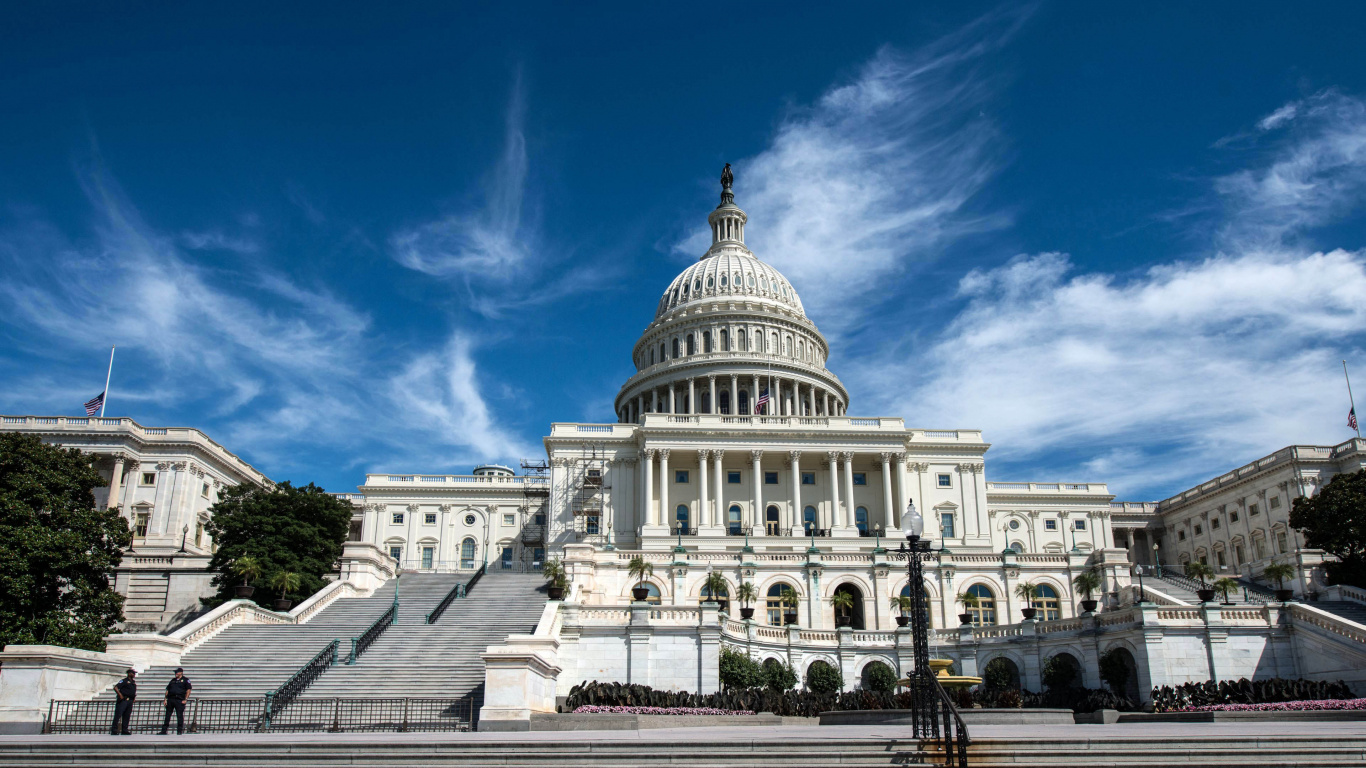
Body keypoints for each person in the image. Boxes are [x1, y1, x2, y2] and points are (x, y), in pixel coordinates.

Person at [159, 667, 192, 735]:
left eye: (177, 672)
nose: (175, 674)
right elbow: (168, 690)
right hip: (171, 699)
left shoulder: (185, 680)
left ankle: (179, 730)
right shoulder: (173, 680)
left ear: (181, 673)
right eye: (175, 672)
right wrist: (165, 699)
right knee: (167, 715)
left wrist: (185, 699)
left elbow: (188, 690)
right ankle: (164, 730)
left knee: (179, 715)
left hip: (179, 699)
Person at [109, 669, 137, 735]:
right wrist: (120, 695)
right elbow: (116, 687)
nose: (134, 674)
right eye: (133, 673)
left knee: (127, 715)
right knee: (118, 715)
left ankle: (124, 730)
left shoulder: (133, 682)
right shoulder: (124, 681)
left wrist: (134, 698)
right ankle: (114, 730)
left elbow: (133, 691)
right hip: (123, 700)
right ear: (129, 673)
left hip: (130, 701)